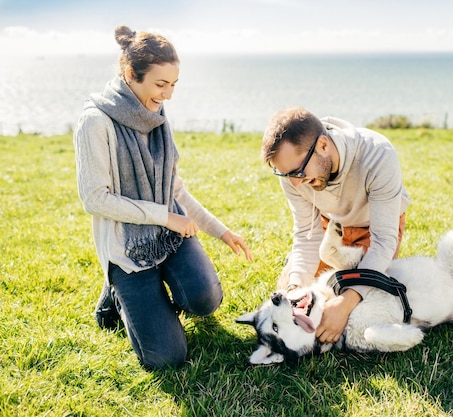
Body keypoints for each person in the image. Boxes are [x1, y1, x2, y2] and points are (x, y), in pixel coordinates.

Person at [73, 25, 252, 369]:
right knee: (167, 357)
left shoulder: (156, 113)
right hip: (127, 248)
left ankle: (150, 292)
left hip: (167, 238)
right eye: (160, 84)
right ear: (130, 74)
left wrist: (222, 231)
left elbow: (175, 190)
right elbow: (95, 199)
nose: (168, 95)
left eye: (173, 85)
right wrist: (165, 216)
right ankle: (118, 295)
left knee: (205, 301)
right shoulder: (95, 122)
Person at [261, 106, 410, 345]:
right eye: (286, 175)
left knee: (359, 307)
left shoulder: (378, 155)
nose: (296, 184)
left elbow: (383, 242)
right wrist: (294, 288)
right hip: (330, 228)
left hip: (374, 228)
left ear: (323, 145)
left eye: (298, 172)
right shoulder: (293, 174)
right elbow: (307, 236)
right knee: (302, 295)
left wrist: (346, 303)